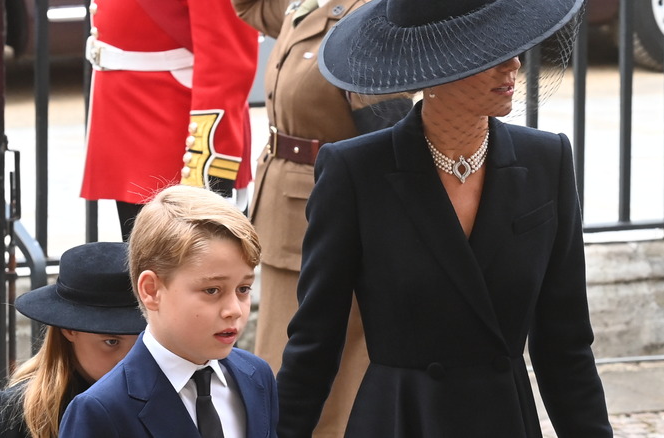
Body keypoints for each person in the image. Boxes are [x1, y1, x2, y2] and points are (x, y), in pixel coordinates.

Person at [275, 0, 614, 436]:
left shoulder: (546, 161)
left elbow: (566, 347)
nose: (512, 63)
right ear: (436, 66)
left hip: (503, 420)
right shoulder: (356, 172)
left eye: (510, 46)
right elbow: (314, 344)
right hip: (402, 419)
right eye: (488, 52)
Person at [231, 1, 410, 435]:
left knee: (321, 386)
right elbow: (248, 6)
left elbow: (390, 138)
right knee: (281, 374)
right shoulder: (306, 4)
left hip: (327, 224)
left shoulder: (367, 15)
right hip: (282, 216)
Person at [59, 184, 278, 438]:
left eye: (243, 289)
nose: (234, 310)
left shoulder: (257, 376)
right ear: (151, 290)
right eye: (212, 290)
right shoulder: (102, 409)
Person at [80, 0, 259, 240]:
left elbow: (226, 59)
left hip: (173, 129)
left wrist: (206, 162)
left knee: (190, 263)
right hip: (127, 115)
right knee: (142, 262)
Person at [0, 242, 146, 438]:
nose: (128, 360)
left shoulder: (169, 396)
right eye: (112, 342)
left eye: (141, 341)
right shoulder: (20, 411)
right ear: (69, 330)